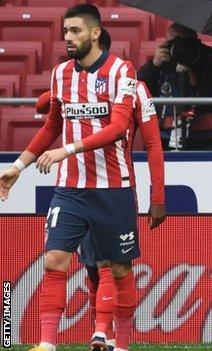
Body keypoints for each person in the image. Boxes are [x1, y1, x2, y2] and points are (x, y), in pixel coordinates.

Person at [0, 4, 140, 351]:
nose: (68, 38)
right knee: (54, 259)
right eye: (65, 31)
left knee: (119, 270)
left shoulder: (123, 71)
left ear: (95, 32)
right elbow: (52, 126)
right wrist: (18, 167)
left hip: (113, 188)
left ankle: (120, 345)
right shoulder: (60, 73)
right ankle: (48, 344)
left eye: (75, 30)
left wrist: (68, 149)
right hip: (70, 189)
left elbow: (119, 127)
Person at [34, 27, 166, 350]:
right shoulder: (71, 80)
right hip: (76, 188)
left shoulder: (135, 88)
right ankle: (82, 335)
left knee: (111, 264)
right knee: (88, 263)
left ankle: (106, 333)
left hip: (113, 189)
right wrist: (53, 100)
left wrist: (157, 197)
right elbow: (49, 106)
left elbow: (152, 144)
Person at [138, 23, 212, 150]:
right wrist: (153, 65)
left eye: (185, 42)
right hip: (166, 139)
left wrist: (197, 79)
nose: (182, 47)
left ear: (197, 42)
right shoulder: (162, 64)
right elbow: (137, 91)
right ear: (167, 44)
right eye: (175, 41)